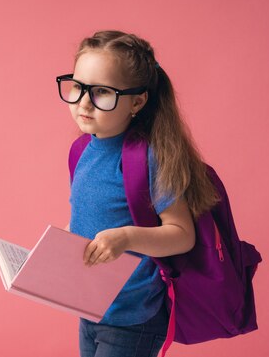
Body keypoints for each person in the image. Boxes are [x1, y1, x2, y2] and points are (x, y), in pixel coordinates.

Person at [56, 30, 221, 357]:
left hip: (133, 317)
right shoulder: (80, 150)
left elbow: (182, 234)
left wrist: (126, 238)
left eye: (102, 91)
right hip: (91, 306)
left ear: (137, 100)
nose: (84, 102)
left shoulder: (148, 159)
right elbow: (91, 213)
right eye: (78, 87)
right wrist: (63, 241)